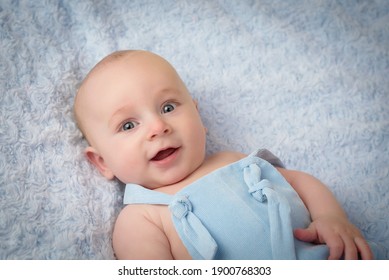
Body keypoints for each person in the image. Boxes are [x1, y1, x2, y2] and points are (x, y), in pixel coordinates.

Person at [73, 50, 375, 260]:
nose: (157, 126)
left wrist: (330, 217)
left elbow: (300, 182)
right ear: (101, 162)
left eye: (168, 107)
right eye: (128, 125)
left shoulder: (232, 160)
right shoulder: (141, 218)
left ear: (198, 114)